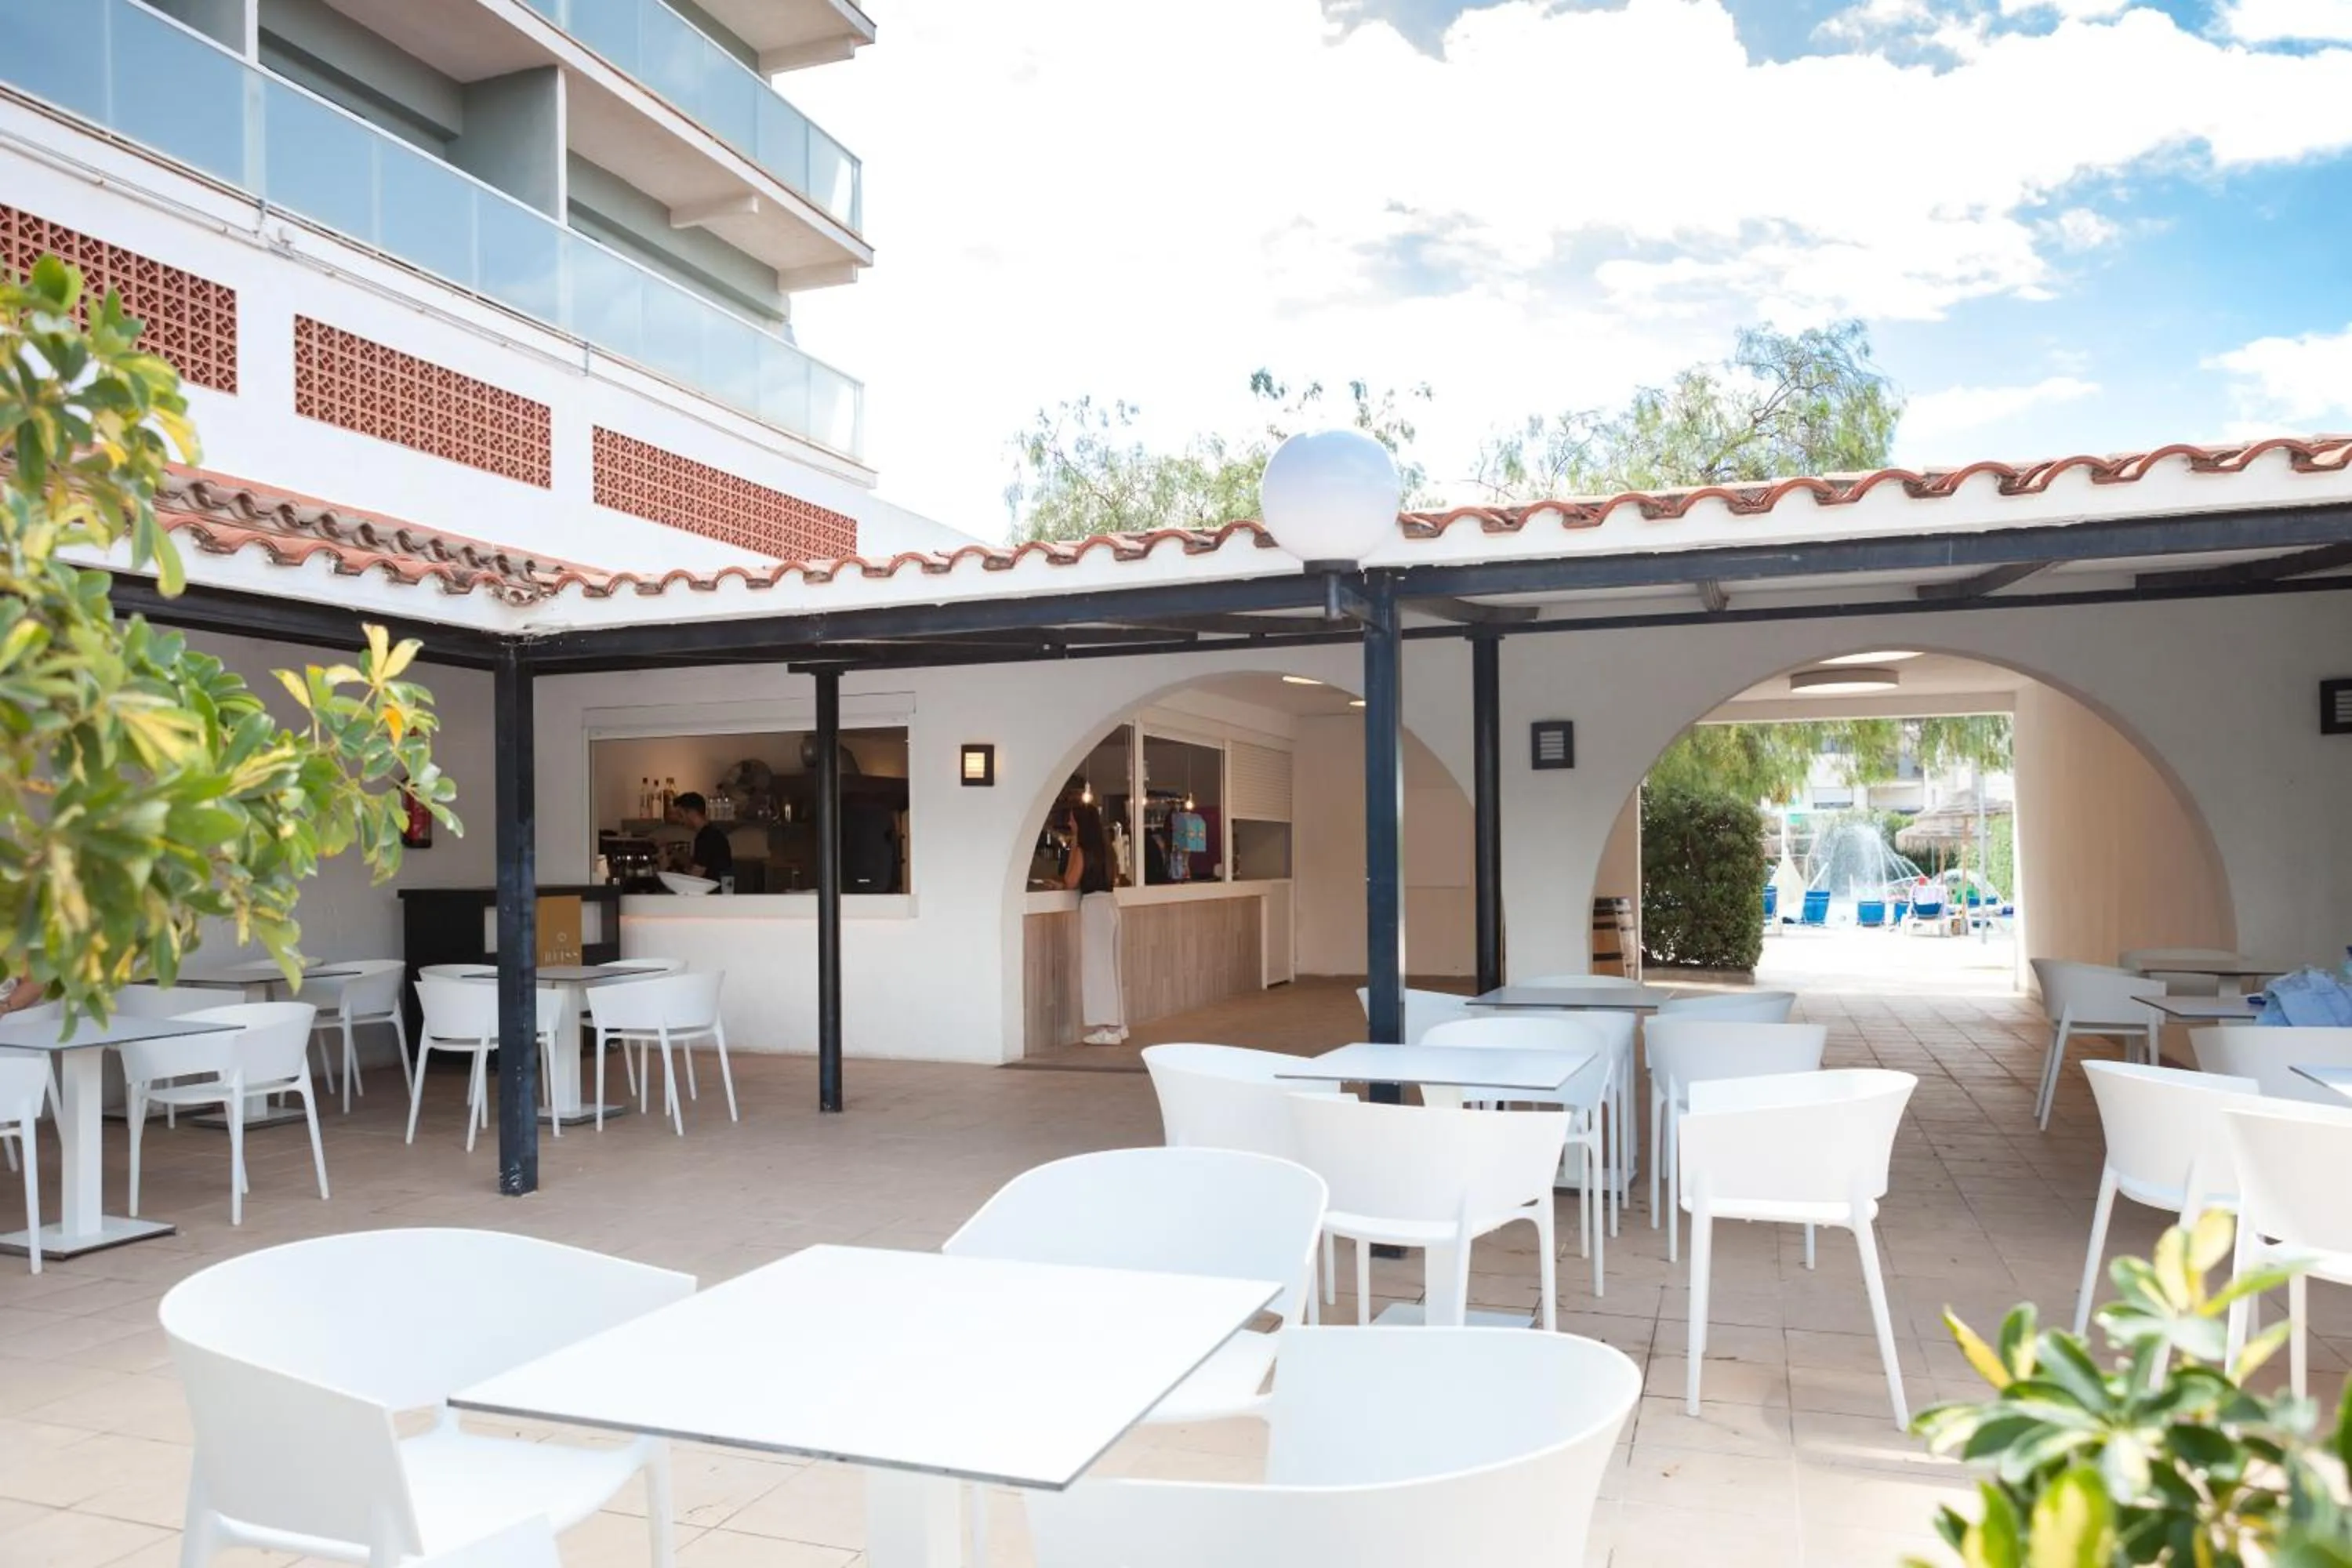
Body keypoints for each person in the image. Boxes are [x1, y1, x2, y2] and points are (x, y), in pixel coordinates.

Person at [1062, 791, 1126, 1047]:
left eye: (1072, 820)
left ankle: (1105, 1027)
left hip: (1095, 908)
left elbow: (1070, 881)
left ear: (1081, 824)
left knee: (1097, 967)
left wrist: (1074, 844)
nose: (1069, 823)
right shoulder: (1106, 849)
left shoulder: (1083, 849)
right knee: (1111, 965)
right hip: (1110, 905)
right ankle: (1118, 1025)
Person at [674, 793, 734, 890]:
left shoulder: (706, 837)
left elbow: (695, 878)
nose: (680, 820)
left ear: (692, 813)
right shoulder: (713, 833)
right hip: (721, 893)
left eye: (681, 815)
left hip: (713, 896)